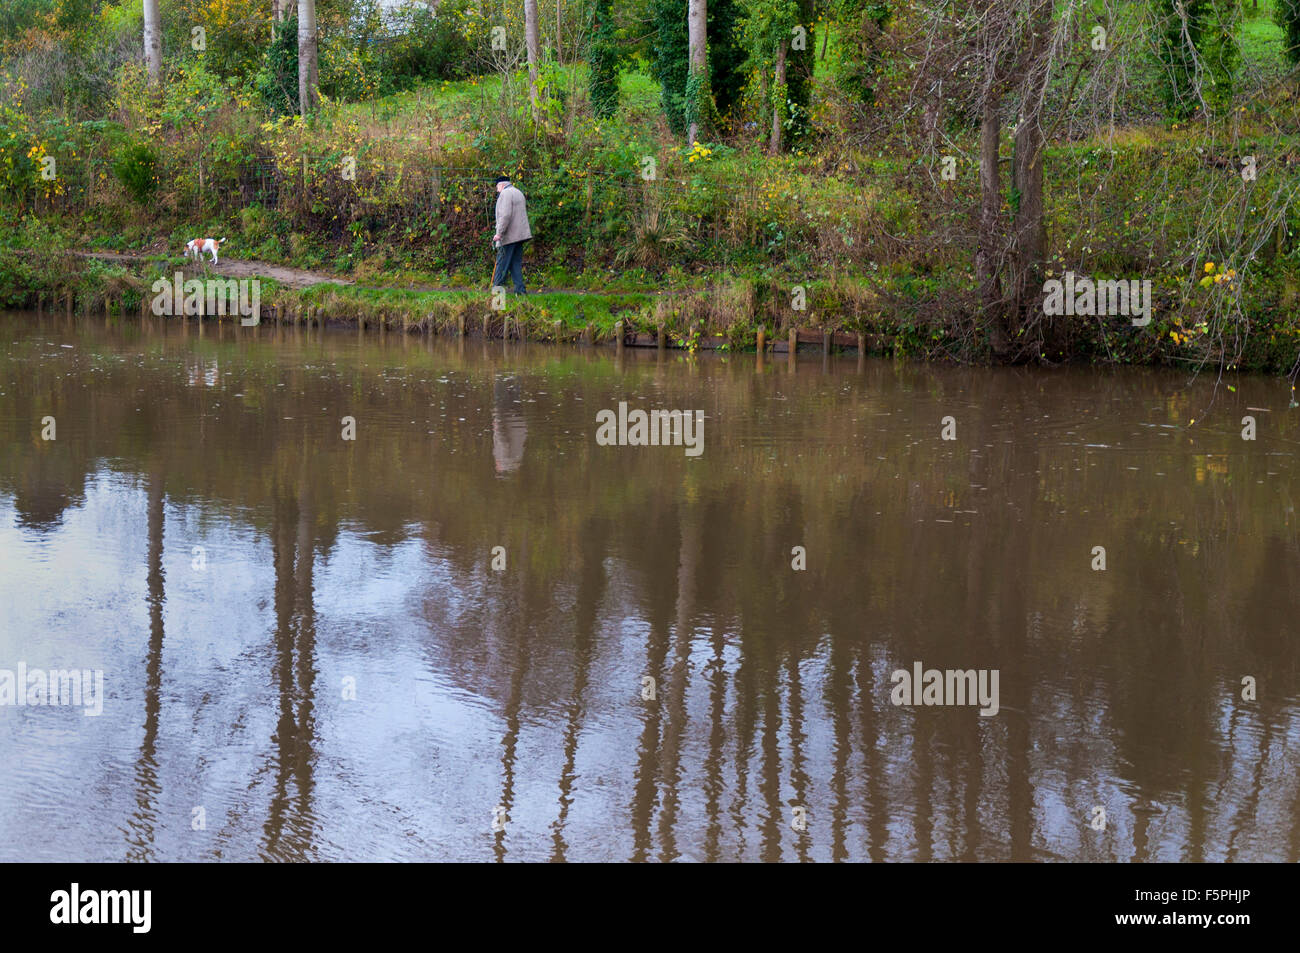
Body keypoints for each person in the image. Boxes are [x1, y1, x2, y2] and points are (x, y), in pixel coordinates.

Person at [492, 175, 532, 295]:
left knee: (501, 267)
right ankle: (521, 293)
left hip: (508, 237)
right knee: (515, 265)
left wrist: (499, 234)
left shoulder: (505, 194)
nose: (497, 190)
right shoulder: (518, 192)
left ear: (502, 185)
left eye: (497, 187)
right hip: (520, 236)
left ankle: (497, 299)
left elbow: (505, 216)